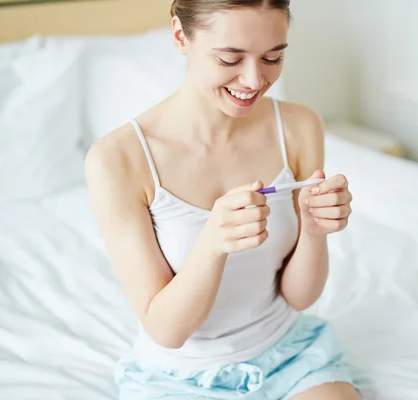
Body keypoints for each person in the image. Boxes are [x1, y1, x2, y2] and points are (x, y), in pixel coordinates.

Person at [85, 1, 361, 399]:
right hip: (180, 376)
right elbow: (167, 331)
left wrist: (313, 230)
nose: (253, 80)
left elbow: (300, 297)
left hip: (288, 353)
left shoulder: (299, 126)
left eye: (272, 57)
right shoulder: (118, 159)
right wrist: (212, 245)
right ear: (181, 35)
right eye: (231, 58)